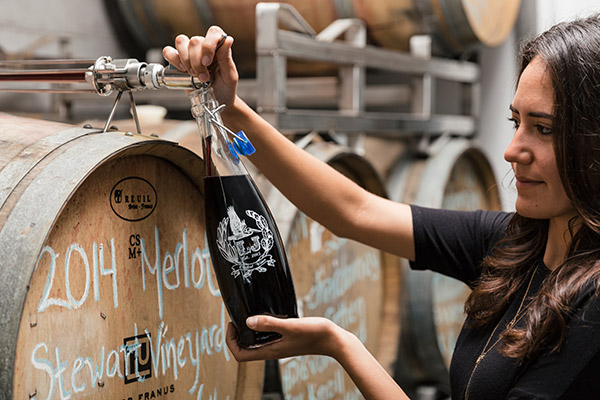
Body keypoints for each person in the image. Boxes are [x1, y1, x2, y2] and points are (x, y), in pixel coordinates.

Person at [163, 13, 600, 399]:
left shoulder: (592, 310)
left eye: (542, 129)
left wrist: (341, 345)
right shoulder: (516, 244)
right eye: (515, 122)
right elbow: (355, 210)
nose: (511, 150)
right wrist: (231, 108)